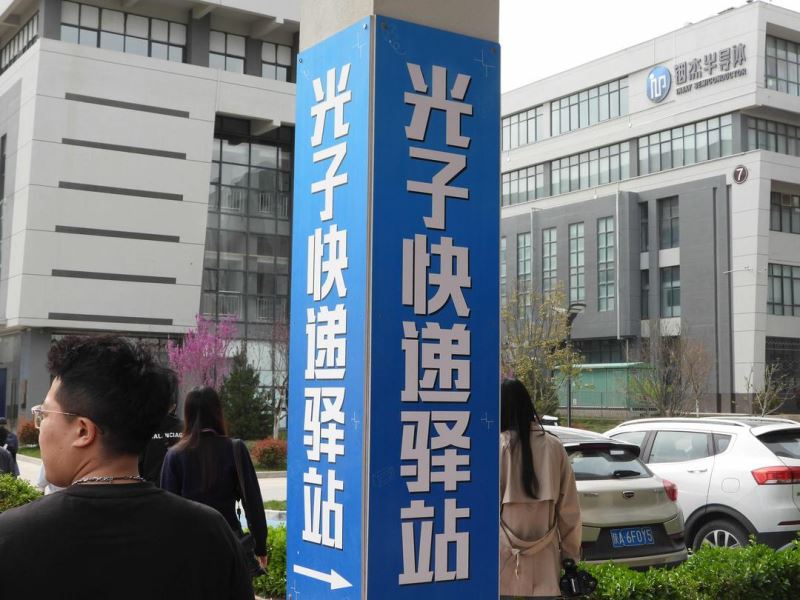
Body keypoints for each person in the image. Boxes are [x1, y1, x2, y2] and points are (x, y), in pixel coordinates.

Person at [0, 335, 254, 599]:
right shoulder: (210, 534)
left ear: (83, 431)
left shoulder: (11, 537)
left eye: (44, 415)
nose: (39, 427)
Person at [161, 386, 268, 570]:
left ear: (187, 414)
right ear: (218, 412)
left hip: (189, 550)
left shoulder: (174, 455)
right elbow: (253, 502)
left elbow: (167, 512)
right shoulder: (235, 448)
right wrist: (260, 546)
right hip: (228, 543)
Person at [500, 378, 581, 599]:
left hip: (502, 566)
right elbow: (570, 511)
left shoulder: (496, 447)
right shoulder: (555, 447)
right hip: (546, 567)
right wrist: (570, 558)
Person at [138, 401, 183, 483]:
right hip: (178, 485)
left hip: (151, 485)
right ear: (173, 406)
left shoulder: (144, 429)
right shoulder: (184, 428)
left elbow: (139, 462)